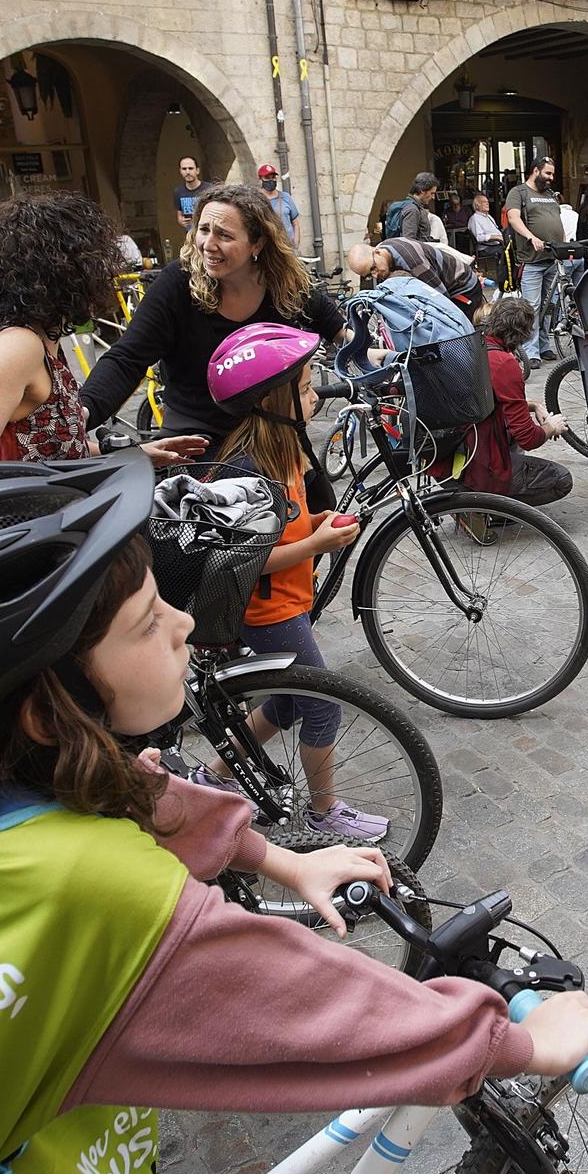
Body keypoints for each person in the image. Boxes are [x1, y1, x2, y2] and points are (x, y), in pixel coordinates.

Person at [0, 456, 588, 1174]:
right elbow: (320, 1008)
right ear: (53, 709)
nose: (185, 623)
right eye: (146, 621)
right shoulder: (99, 898)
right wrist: (518, 1041)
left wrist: (279, 859)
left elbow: (130, 791)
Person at [208, 323, 387, 839]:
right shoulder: (248, 468)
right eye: (305, 387)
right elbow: (243, 557)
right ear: (272, 400)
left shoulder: (286, 450)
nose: (315, 395)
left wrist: (315, 527)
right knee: (322, 704)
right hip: (267, 612)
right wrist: (314, 546)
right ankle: (324, 813)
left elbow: (280, 529)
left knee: (285, 703)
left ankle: (213, 776)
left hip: (288, 601)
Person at [79, 185, 342, 482]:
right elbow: (128, 358)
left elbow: (336, 328)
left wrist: (375, 355)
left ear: (257, 243)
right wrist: (84, 411)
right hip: (196, 438)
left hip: (270, 435)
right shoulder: (177, 285)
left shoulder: (284, 284)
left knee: (317, 504)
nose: (208, 244)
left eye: (225, 235)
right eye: (203, 229)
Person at [0, 193, 205, 469]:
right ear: (68, 271)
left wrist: (131, 453)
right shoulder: (18, 343)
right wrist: (29, 497)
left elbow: (51, 447)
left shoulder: (41, 338)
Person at [463, 295, 574, 505]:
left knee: (510, 436)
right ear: (523, 335)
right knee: (561, 480)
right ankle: (491, 509)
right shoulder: (504, 363)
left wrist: (534, 405)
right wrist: (551, 427)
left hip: (457, 458)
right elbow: (528, 439)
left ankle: (480, 499)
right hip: (479, 465)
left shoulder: (474, 346)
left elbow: (494, 401)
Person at [504, 157, 570, 362]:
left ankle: (543, 346)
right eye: (548, 173)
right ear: (535, 171)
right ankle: (530, 353)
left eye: (552, 174)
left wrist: (564, 241)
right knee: (531, 307)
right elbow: (514, 218)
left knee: (549, 307)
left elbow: (557, 220)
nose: (551, 178)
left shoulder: (550, 195)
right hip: (532, 261)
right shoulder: (519, 192)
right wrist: (531, 237)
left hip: (552, 259)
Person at [348, 235, 486, 317]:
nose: (375, 275)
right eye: (368, 275)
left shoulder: (412, 262)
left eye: (373, 268)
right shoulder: (383, 252)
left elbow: (441, 300)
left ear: (377, 252)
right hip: (446, 285)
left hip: (463, 288)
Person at [466, 191, 505, 288]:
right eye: (484, 202)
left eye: (487, 201)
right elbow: (479, 238)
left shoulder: (489, 217)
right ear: (477, 205)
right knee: (507, 251)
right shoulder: (475, 219)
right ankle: (503, 277)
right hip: (485, 248)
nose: (487, 203)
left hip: (497, 244)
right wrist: (496, 237)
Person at [259, 163, 300, 245]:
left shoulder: (286, 197)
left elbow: (295, 223)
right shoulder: (256, 199)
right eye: (267, 178)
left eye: (273, 177)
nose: (271, 180)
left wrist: (295, 244)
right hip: (268, 247)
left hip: (287, 246)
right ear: (261, 178)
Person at [394, 172, 440, 243]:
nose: (433, 197)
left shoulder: (414, 207)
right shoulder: (412, 210)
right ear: (422, 191)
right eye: (432, 193)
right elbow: (409, 242)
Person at [173, 155, 212, 235]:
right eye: (184, 169)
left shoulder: (209, 189)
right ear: (180, 171)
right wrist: (182, 221)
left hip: (208, 233)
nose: (187, 172)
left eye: (190, 168)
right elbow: (179, 215)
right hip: (190, 234)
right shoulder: (178, 191)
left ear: (197, 170)